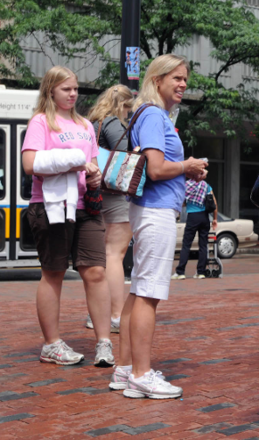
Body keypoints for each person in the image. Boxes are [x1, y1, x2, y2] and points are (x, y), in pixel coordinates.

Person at [109, 54, 208, 400]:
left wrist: (183, 168)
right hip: (155, 211)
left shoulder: (150, 114)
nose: (183, 84)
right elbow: (155, 169)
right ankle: (141, 373)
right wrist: (188, 166)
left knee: (138, 290)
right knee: (149, 294)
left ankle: (125, 369)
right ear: (157, 80)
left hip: (148, 210)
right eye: (176, 78)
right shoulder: (153, 115)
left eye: (185, 79)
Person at [21, 66, 114, 367]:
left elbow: (93, 165)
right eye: (66, 89)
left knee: (96, 271)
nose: (73, 94)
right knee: (54, 273)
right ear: (51, 90)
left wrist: (96, 177)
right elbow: (30, 163)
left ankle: (104, 342)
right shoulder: (41, 121)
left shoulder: (86, 125)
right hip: (51, 206)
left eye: (75, 89)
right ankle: (51, 345)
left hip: (85, 206)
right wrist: (75, 162)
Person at [87, 85, 135, 334]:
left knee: (102, 255)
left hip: (96, 192)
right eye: (128, 108)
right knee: (114, 254)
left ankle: (97, 311)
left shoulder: (92, 121)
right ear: (122, 105)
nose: (128, 113)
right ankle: (115, 314)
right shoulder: (113, 122)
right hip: (115, 192)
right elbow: (127, 149)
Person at [172, 180, 218, 279]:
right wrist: (215, 219)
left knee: (186, 245)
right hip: (205, 217)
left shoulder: (186, 185)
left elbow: (182, 202)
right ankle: (200, 272)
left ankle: (180, 272)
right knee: (203, 245)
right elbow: (214, 203)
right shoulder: (206, 185)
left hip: (192, 217)